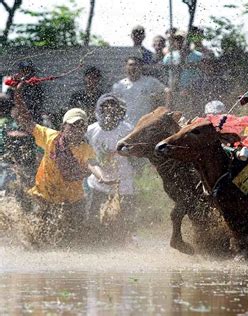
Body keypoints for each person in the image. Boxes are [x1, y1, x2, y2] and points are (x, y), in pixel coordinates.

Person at [11, 83, 112, 234]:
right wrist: (18, 93)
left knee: (74, 236)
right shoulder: (50, 137)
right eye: (73, 126)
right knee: (38, 233)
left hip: (72, 201)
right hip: (44, 196)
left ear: (85, 129)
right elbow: (26, 121)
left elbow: (92, 164)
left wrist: (102, 177)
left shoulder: (85, 149)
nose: (77, 130)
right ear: (64, 126)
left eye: (81, 126)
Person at [85, 93, 135, 229]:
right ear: (98, 110)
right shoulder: (90, 130)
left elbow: (136, 156)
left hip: (123, 183)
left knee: (124, 222)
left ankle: (123, 246)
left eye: (112, 106)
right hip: (98, 183)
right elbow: (87, 158)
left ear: (118, 110)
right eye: (104, 106)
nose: (109, 110)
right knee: (94, 220)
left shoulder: (128, 130)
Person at [112, 57, 166, 127]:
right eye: (131, 65)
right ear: (126, 67)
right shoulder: (119, 86)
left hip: (145, 124)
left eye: (136, 65)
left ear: (141, 67)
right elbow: (114, 105)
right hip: (125, 125)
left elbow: (167, 92)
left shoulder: (150, 82)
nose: (133, 67)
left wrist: (164, 111)